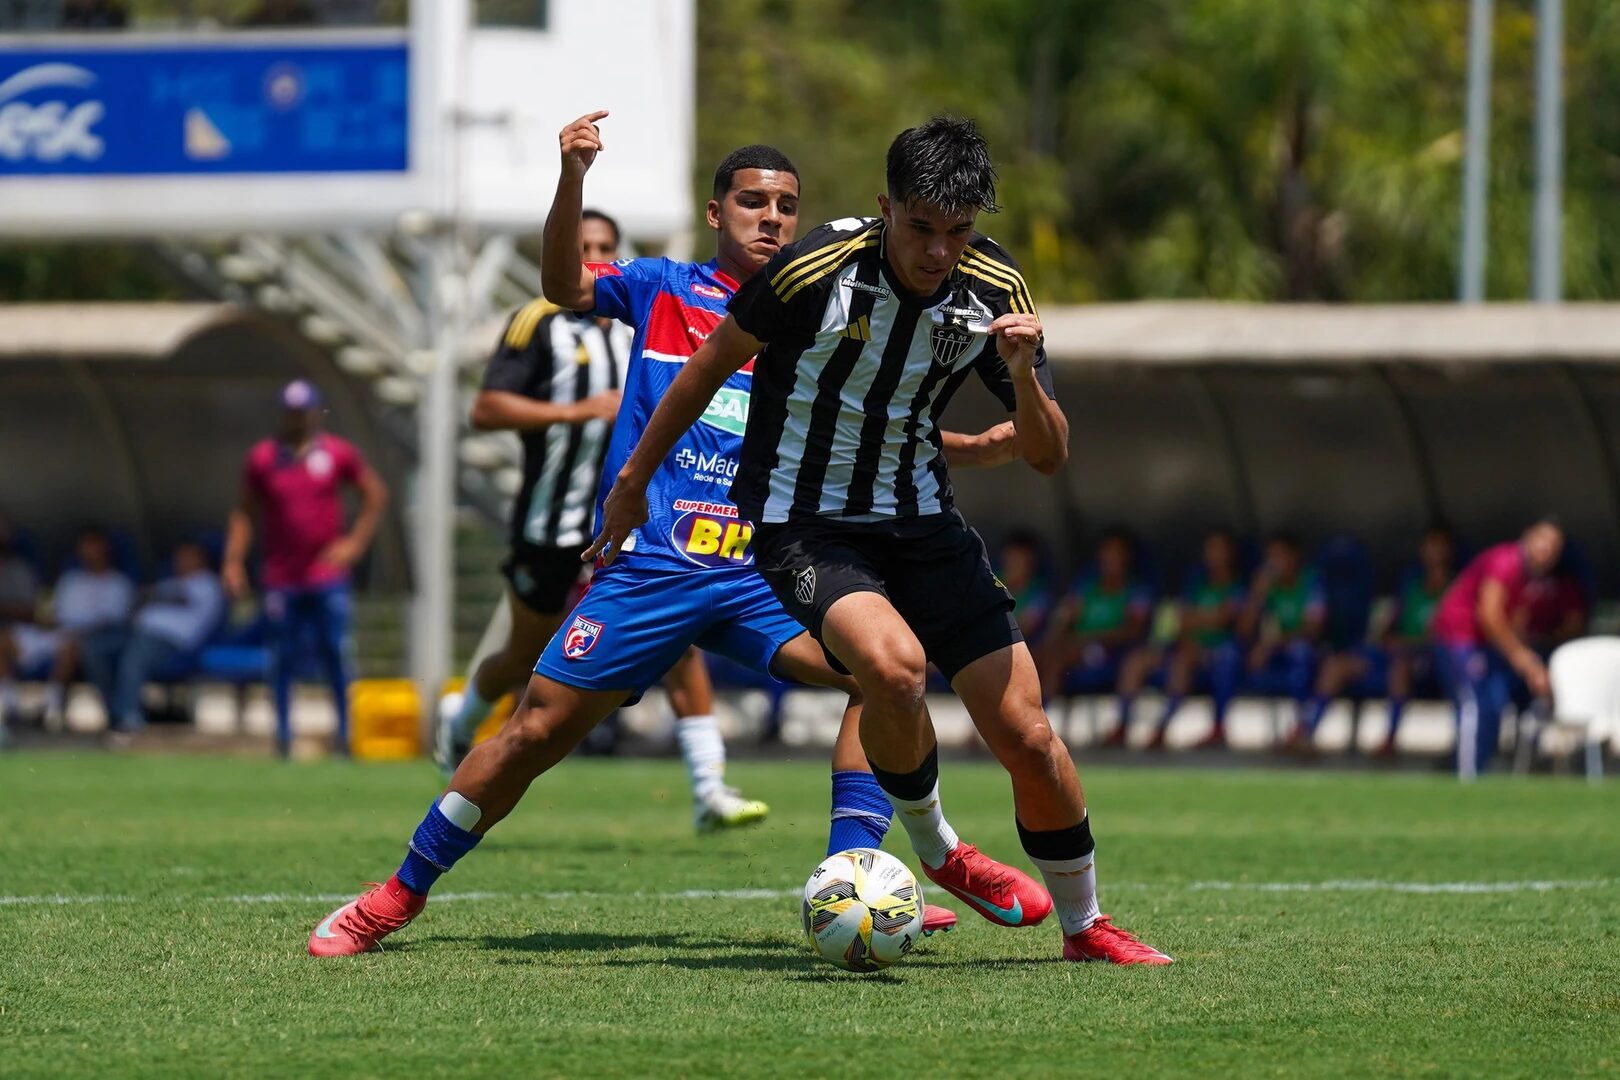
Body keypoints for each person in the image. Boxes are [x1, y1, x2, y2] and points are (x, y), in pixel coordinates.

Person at [305, 114, 1024, 956]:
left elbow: (867, 427)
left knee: (885, 675)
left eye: (786, 207)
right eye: (752, 202)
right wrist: (572, 177)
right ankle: (398, 893)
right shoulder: (663, 287)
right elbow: (564, 284)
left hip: (763, 567)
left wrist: (968, 445)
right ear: (715, 213)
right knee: (533, 731)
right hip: (656, 565)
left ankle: (853, 876)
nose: (772, 219)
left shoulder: (823, 305)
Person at [589, 116, 1170, 964]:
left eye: (957, 232)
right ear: (885, 207)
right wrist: (632, 484)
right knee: (894, 670)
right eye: (920, 227)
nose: (938, 251)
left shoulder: (993, 287)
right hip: (804, 524)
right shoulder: (814, 270)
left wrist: (1020, 374)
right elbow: (706, 368)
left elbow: (1048, 455)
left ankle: (1086, 927)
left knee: (1029, 738)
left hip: (923, 524)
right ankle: (938, 849)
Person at [437, 209, 765, 831]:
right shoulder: (538, 321)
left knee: (679, 643)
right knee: (526, 655)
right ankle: (462, 721)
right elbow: (485, 409)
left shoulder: (653, 312)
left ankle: (709, 787)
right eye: (583, 244)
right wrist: (579, 411)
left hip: (645, 521)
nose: (593, 255)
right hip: (555, 520)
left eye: (604, 246)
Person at [223, 380, 388, 757]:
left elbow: (374, 495)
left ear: (316, 412)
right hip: (281, 576)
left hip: (326, 576)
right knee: (281, 655)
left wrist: (354, 544)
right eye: (292, 412)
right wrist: (233, 561)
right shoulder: (263, 458)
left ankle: (344, 737)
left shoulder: (337, 454)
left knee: (335, 653)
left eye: (303, 411)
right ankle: (283, 738)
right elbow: (244, 512)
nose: (298, 419)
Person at [1300, 526, 1454, 758]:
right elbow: (1389, 626)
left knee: (1400, 666)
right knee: (1337, 664)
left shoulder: (1455, 589)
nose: (1434, 553)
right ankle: (1305, 732)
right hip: (1392, 654)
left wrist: (1409, 644)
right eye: (1429, 547)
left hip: (1428, 661)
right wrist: (1387, 637)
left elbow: (1446, 636)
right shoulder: (1411, 585)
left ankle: (1389, 739)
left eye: (1439, 547)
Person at [1430, 518, 1564, 779]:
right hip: (1459, 637)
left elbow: (1516, 624)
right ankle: (1466, 777)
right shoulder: (1506, 562)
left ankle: (1479, 769)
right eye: (1542, 540)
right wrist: (1519, 657)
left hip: (1484, 644)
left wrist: (1532, 666)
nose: (1546, 549)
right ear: (1527, 536)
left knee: (1494, 703)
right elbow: (1489, 614)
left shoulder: (1531, 578)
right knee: (1473, 704)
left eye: (1553, 546)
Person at [81, 540, 225, 735]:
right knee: (95, 650)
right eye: (179, 556)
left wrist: (153, 595)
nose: (180, 560)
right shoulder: (170, 582)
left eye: (187, 556)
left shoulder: (208, 583)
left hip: (171, 642)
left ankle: (130, 719)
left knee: (134, 658)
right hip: (136, 633)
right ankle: (115, 713)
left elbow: (178, 598)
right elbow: (138, 598)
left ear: (202, 559)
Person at [0, 528, 133, 730]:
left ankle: (51, 707)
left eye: (94, 548)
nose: (89, 553)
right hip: (55, 632)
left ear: (105, 550)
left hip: (88, 638)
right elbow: (53, 613)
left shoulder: (119, 583)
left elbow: (114, 621)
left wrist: (81, 631)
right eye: (85, 548)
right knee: (5, 638)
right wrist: (45, 623)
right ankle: (9, 706)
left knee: (70, 646)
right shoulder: (69, 579)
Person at [1131, 529, 1245, 751]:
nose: (1214, 555)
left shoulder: (1238, 587)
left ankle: (1218, 728)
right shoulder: (1196, 584)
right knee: (1159, 660)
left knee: (1225, 657)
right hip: (1190, 650)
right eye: (1210, 549)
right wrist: (1213, 618)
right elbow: (1180, 621)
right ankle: (1139, 727)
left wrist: (1202, 619)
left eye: (1219, 549)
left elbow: (1231, 621)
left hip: (1222, 653)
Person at [1039, 528, 1153, 715]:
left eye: (1117, 553)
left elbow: (1133, 631)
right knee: (1037, 654)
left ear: (1127, 557)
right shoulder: (1086, 588)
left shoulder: (1136, 591)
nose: (1111, 558)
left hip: (1108, 652)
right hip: (1074, 645)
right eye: (1107, 552)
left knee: (1057, 660)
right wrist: (1057, 634)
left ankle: (1042, 716)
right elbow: (1064, 619)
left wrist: (1092, 638)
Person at [1242, 532, 1326, 751]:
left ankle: (1302, 729)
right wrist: (1256, 596)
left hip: (1313, 653)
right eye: (1271, 558)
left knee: (1300, 651)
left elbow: (1314, 628)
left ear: (1294, 556)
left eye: (1279, 556)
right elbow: (1244, 630)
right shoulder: (1269, 585)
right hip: (1278, 653)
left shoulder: (1311, 581)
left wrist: (1273, 643)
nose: (1274, 564)